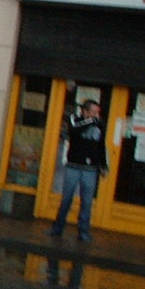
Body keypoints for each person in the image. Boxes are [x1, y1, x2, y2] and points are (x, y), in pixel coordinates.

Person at [49, 100, 107, 242]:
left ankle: (83, 232)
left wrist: (103, 165)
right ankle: (58, 228)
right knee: (67, 198)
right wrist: (90, 121)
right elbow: (74, 130)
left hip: (91, 169)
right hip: (74, 166)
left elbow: (101, 144)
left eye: (97, 112)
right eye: (93, 112)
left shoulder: (99, 124)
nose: (96, 115)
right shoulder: (74, 119)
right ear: (85, 111)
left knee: (86, 202)